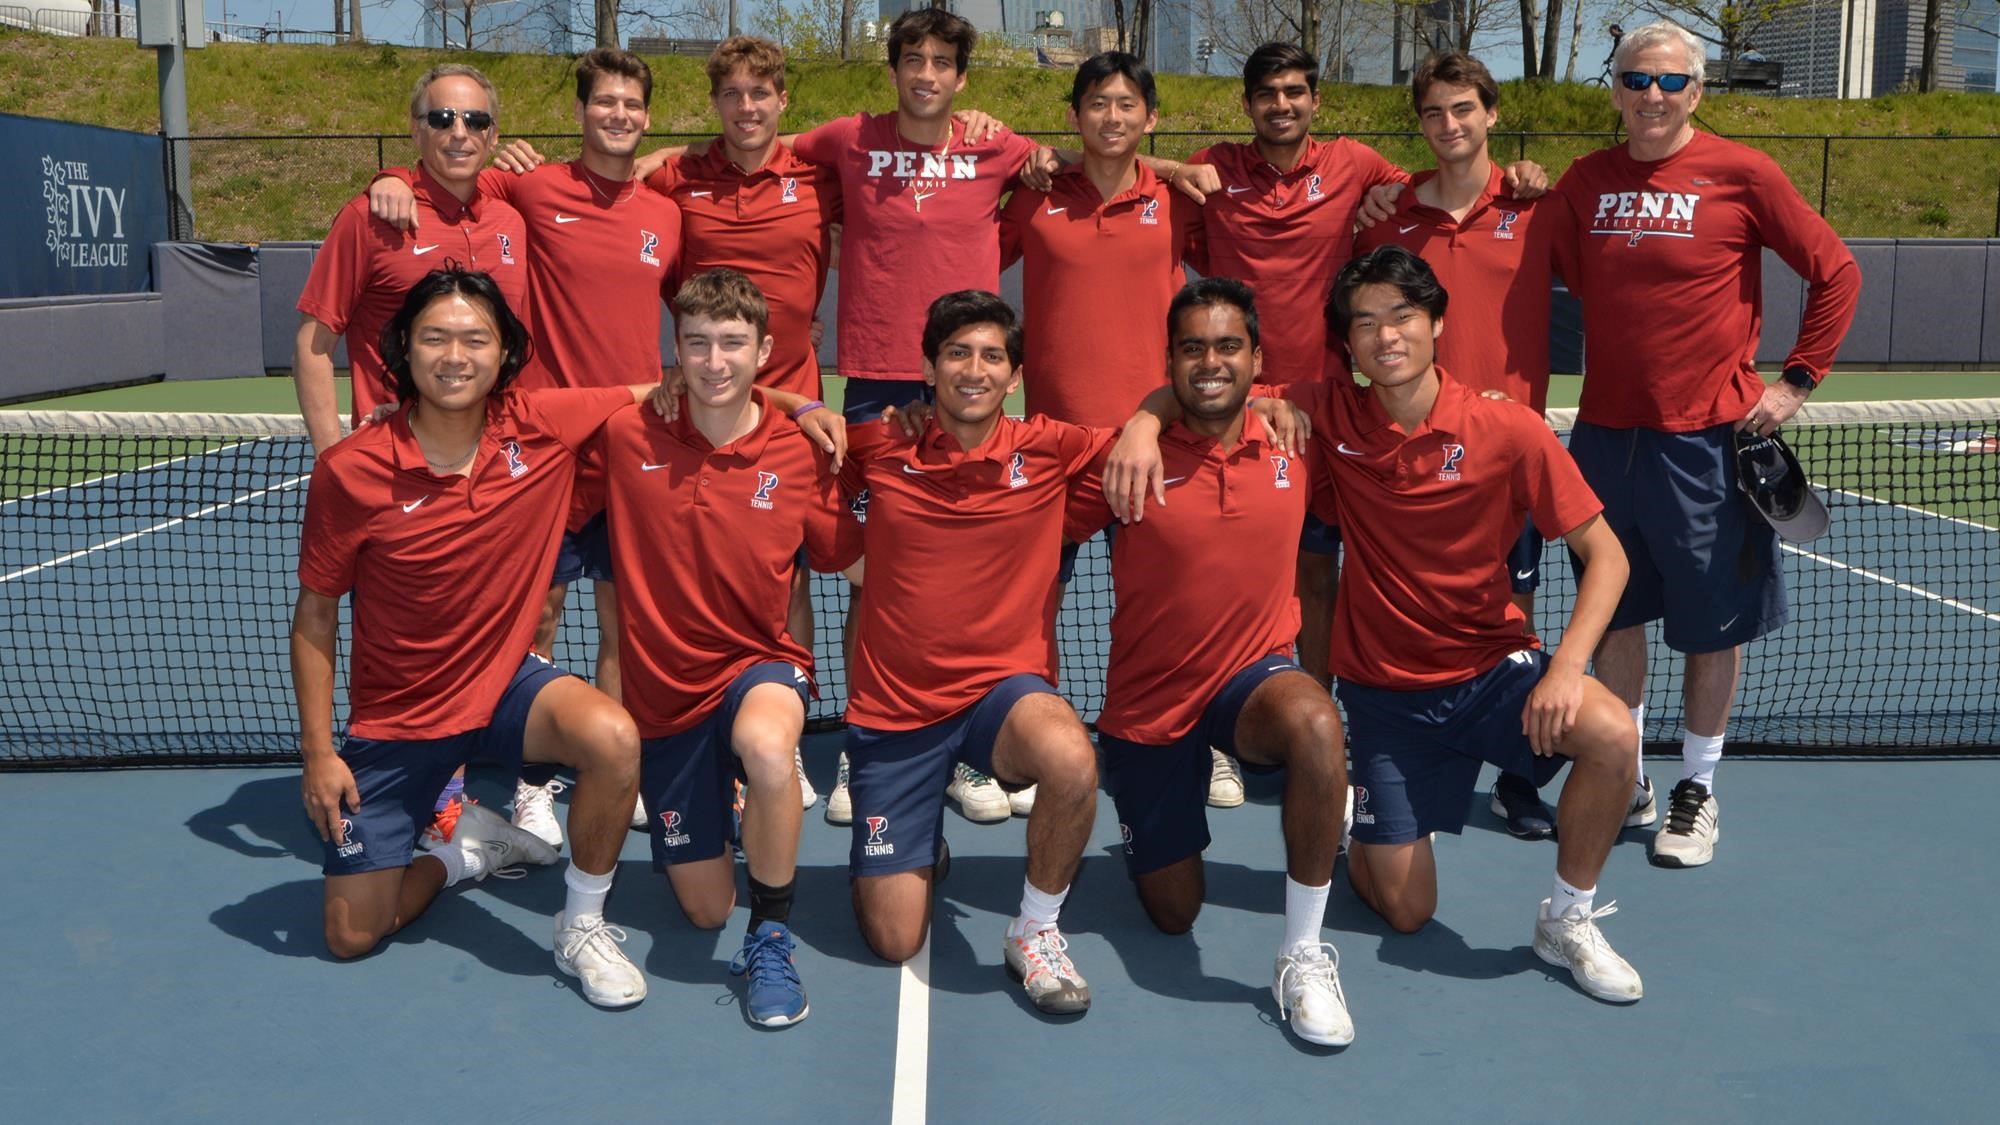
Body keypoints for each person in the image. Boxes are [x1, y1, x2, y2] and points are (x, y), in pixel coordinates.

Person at [292, 267, 654, 1008]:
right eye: (434, 336)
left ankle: (582, 923)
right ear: (404, 349)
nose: (454, 355)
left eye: (474, 338)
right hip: (397, 720)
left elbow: (679, 392)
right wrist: (319, 753)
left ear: (504, 353)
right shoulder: (348, 470)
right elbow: (316, 616)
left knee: (614, 739)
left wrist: (806, 403)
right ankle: (465, 855)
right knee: (351, 934)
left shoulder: (541, 425)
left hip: (504, 687)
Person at [1551, 21, 1860, 867]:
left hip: (1707, 445)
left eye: (1670, 81)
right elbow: (1553, 267)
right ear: (1613, 89)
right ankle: (1629, 773)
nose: (1652, 95)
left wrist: (1796, 380)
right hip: (1608, 440)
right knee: (1615, 612)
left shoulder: (1744, 172)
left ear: (1697, 90)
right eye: (1636, 79)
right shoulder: (1582, 183)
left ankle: (1698, 788)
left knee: (1709, 622)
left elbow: (1836, 271)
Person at [366, 49, 692, 843]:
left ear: (646, 116)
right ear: (580, 111)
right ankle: (526, 788)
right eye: (604, 101)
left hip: (631, 447)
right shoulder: (533, 185)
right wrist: (392, 181)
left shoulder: (665, 214)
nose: (618, 114)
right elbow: (452, 170)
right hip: (542, 448)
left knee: (627, 626)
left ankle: (608, 767)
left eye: (631, 105)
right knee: (532, 620)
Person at [1354, 50, 1658, 841]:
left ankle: (1519, 775)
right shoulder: (1387, 216)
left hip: (1505, 462)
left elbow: (1619, 293)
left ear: (1490, 114)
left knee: (1511, 624)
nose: (1449, 125)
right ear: (1418, 125)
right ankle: (1392, 756)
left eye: (1463, 109)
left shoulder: (1543, 206)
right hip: (1412, 468)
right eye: (1432, 113)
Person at [1070, 278, 1354, 1046]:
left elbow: (1395, 461)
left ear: (1258, 358)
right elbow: (1016, 495)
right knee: (1173, 912)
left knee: (1317, 725)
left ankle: (1301, 952)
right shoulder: (1125, 458)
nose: (1210, 361)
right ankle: (1163, 805)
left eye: (1228, 345)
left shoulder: (1297, 444)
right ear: (1170, 361)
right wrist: (1140, 418)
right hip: (1148, 707)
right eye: (1193, 347)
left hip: (1251, 682)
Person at [585, 268, 861, 1027]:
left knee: (770, 750)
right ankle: (737, 811)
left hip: (759, 664)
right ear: (674, 349)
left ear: (766, 349)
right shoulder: (623, 435)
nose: (714, 361)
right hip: (664, 697)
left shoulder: (801, 449)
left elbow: (857, 556)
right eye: (697, 343)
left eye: (733, 343)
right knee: (705, 911)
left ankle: (772, 934)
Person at [835, 291, 1111, 1015]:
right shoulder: (877, 447)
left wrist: (1153, 418)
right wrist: (806, 412)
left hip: (1001, 693)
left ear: (1014, 376)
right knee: (895, 937)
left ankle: (1036, 930)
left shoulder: (1050, 448)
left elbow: (1154, 428)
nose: (974, 369)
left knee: (1074, 760)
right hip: (896, 713)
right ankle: (910, 835)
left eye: (992, 356)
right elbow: (777, 429)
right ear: (927, 367)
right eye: (958, 353)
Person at [995, 49, 1192, 821]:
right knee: (1030, 605)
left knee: (1167, 605)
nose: (1112, 118)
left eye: (1126, 105)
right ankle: (1021, 742)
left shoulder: (1182, 200)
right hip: (1053, 448)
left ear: (1151, 117)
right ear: (1075, 117)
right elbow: (961, 249)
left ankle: (1172, 738)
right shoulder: (1034, 196)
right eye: (1097, 105)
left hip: (1152, 443)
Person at [295, 64, 526, 455]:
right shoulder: (368, 218)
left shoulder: (513, 222)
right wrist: (330, 459)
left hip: (497, 459)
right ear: (416, 129)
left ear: (493, 135)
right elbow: (313, 346)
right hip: (395, 459)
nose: (459, 133)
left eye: (475, 120)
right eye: (441, 118)